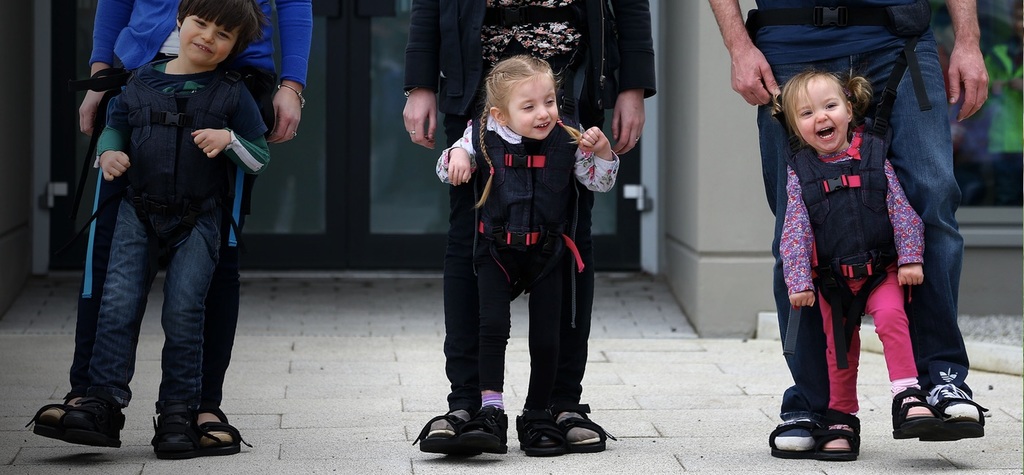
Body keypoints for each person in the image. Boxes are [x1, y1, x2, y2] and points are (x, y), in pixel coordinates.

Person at [709, 0, 990, 459]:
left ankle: (941, 381)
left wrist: (968, 40)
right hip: (790, 45)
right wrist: (738, 45)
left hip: (897, 40)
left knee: (933, 201)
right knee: (797, 228)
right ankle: (815, 406)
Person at [28, 0, 312, 453]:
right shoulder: (136, 85)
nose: (205, 32)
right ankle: (91, 396)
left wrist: (292, 84)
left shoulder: (233, 88)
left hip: (233, 77)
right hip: (137, 76)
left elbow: (296, 3)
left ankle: (198, 407)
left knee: (214, 261)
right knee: (108, 259)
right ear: (184, 20)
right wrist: (101, 71)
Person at [404, 0, 655, 455]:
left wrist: (633, 84)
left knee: (567, 240)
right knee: (471, 242)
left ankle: (559, 405)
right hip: (474, 69)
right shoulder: (480, 132)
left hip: (572, 72)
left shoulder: (560, 117)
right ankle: (469, 405)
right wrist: (420, 82)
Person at [434, 55, 619, 456]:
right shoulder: (480, 133)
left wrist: (603, 152)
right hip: (496, 252)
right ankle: (490, 409)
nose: (543, 114)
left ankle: (537, 412)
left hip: (548, 253)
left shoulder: (568, 136)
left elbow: (598, 183)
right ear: (501, 114)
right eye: (530, 106)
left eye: (549, 102)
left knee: (548, 336)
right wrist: (457, 156)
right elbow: (445, 168)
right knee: (491, 329)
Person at [776, 70, 947, 460]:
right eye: (806, 113)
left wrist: (911, 258)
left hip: (880, 273)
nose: (821, 117)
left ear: (849, 109)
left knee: (892, 320)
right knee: (839, 349)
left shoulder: (872, 154)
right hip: (833, 284)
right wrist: (799, 281)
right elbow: (795, 229)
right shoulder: (799, 170)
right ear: (795, 126)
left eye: (830, 106)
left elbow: (900, 208)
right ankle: (841, 418)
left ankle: (908, 395)